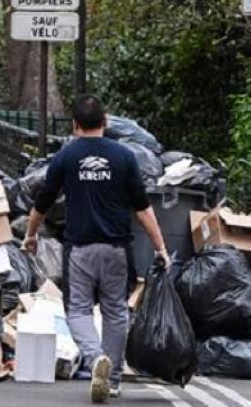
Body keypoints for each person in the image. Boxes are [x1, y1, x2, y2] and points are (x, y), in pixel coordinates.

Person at [22, 95, 170, 404]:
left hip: (79, 249)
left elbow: (42, 203)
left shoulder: (65, 157)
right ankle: (113, 379)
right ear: (105, 122)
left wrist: (30, 236)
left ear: (75, 126)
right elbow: (144, 210)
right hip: (116, 247)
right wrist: (161, 248)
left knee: (77, 310)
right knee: (116, 310)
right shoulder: (124, 157)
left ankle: (94, 359)